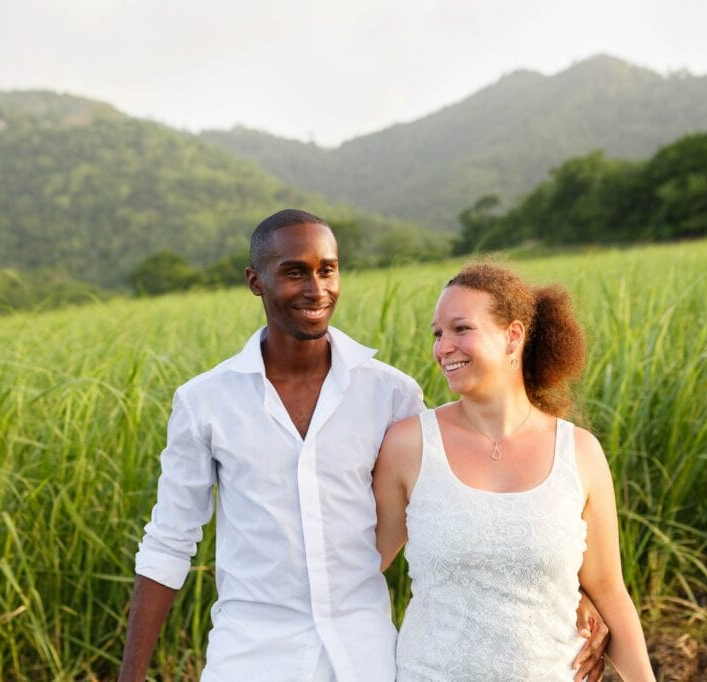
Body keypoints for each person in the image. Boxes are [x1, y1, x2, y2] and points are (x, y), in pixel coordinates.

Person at [119, 211, 610, 681]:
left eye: (327, 270)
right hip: (250, 654)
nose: (316, 289)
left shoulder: (391, 394)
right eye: (294, 272)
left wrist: (570, 591)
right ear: (255, 281)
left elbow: (462, 510)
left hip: (365, 653)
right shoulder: (205, 401)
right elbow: (168, 542)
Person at [374, 262, 654, 681]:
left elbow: (610, 592)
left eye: (461, 329)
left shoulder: (579, 452)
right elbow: (359, 565)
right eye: (438, 333)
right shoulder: (409, 446)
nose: (442, 347)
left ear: (514, 336)